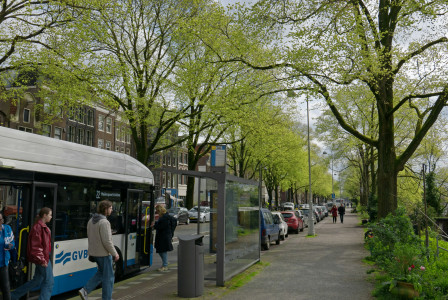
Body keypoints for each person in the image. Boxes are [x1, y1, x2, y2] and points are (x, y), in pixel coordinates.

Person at [79, 200, 119, 300]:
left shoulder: (91, 220)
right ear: (105, 209)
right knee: (109, 278)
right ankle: (107, 298)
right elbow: (107, 241)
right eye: (110, 208)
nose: (112, 209)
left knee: (101, 273)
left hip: (94, 253)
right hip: (104, 254)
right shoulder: (104, 222)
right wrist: (115, 253)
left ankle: (85, 290)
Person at [11, 207, 53, 300]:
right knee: (49, 282)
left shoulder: (41, 226)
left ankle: (13, 296)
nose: (51, 217)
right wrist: (42, 260)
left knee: (37, 281)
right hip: (43, 259)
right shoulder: (38, 227)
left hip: (42, 258)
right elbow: (36, 247)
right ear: (45, 215)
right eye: (50, 215)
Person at [153, 205, 174, 272]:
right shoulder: (163, 216)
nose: (156, 212)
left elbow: (161, 226)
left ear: (159, 210)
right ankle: (165, 263)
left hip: (164, 237)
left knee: (163, 251)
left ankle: (165, 265)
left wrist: (154, 225)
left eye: (157, 210)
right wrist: (156, 223)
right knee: (161, 251)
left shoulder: (165, 217)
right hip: (163, 236)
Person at [0, 212, 14, 300]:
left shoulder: (7, 228)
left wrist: (10, 245)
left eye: (1, 219)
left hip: (4, 262)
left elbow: (12, 241)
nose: (0, 221)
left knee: (6, 286)